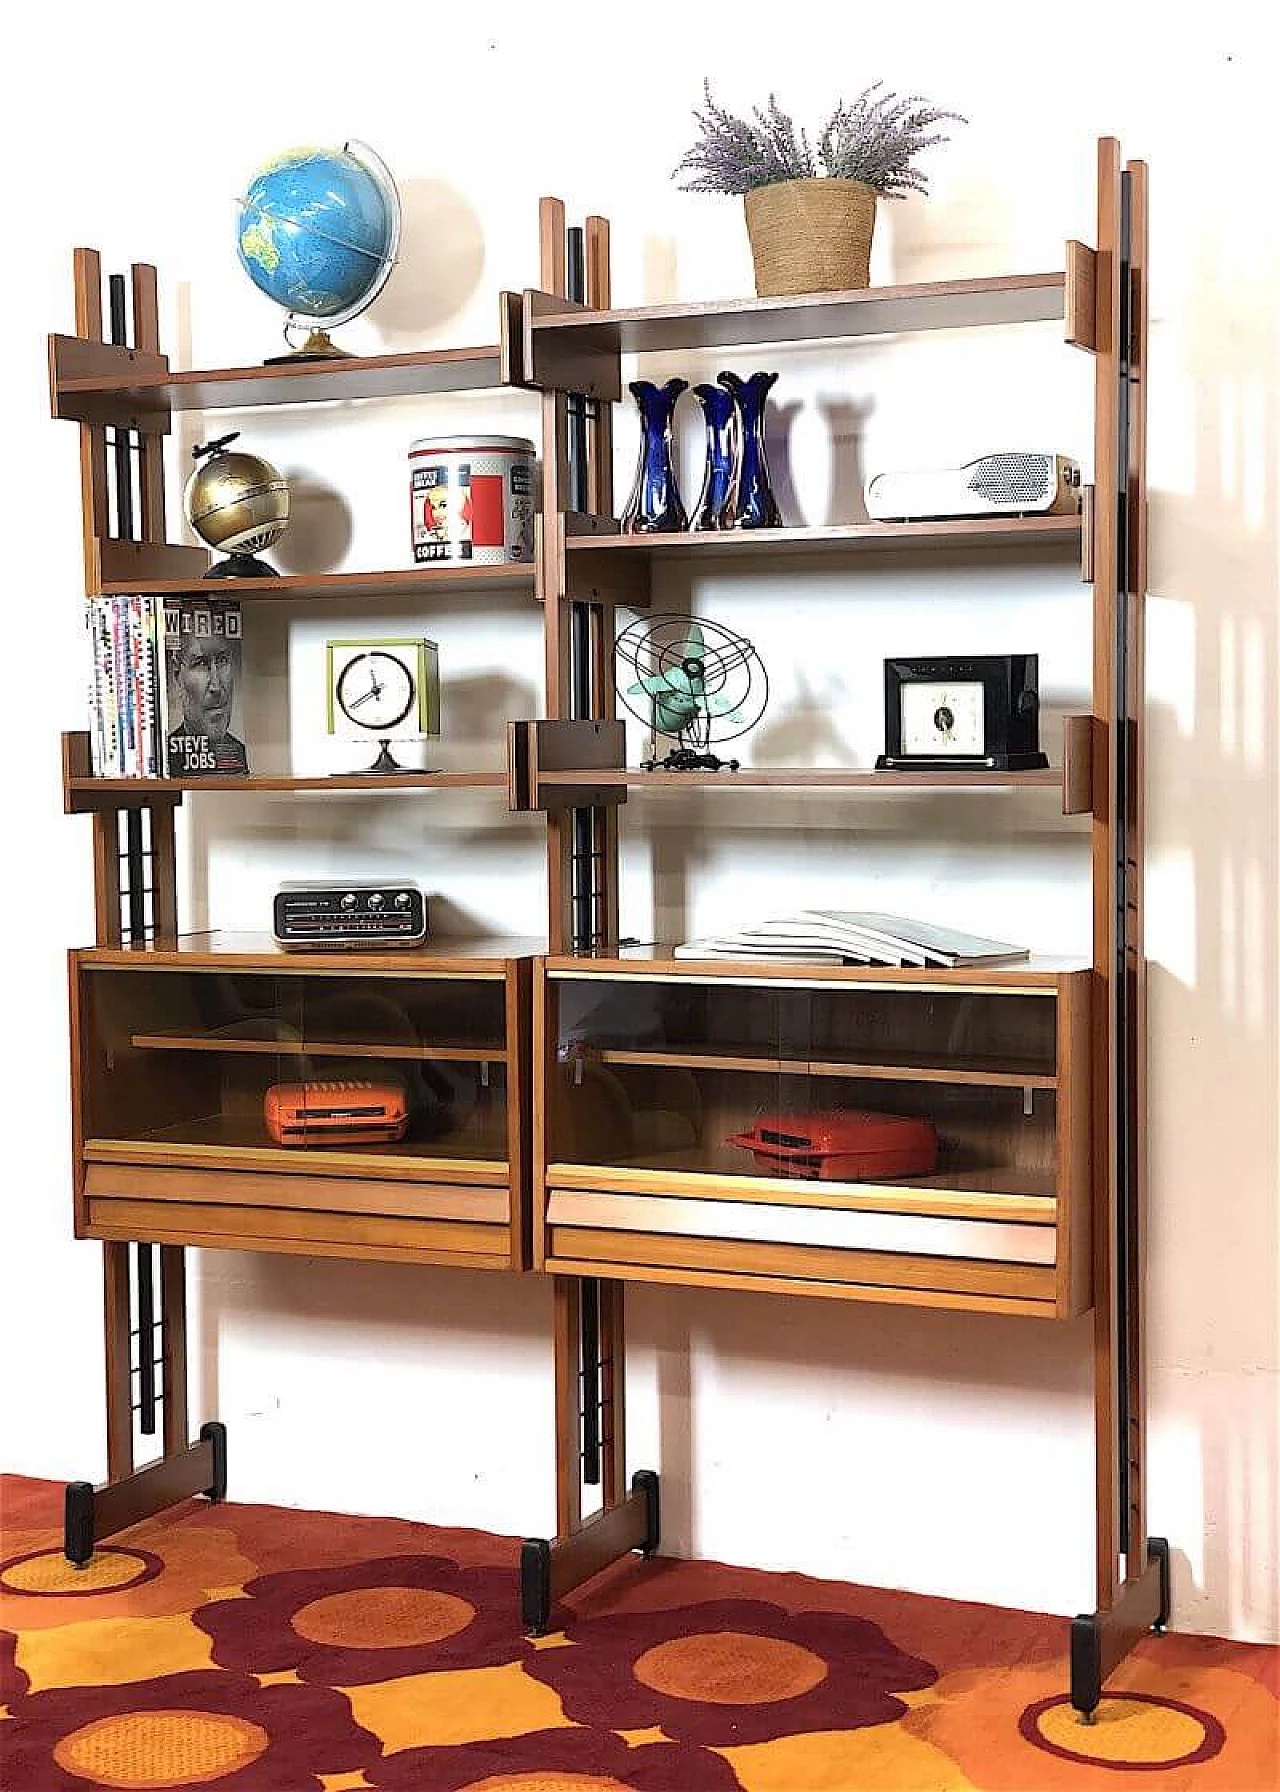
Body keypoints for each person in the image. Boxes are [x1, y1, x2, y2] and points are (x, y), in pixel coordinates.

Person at [166, 611, 248, 774]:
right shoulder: (164, 759)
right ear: (177, 675)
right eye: (201, 664)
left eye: (223, 660)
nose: (216, 687)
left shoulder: (238, 752)